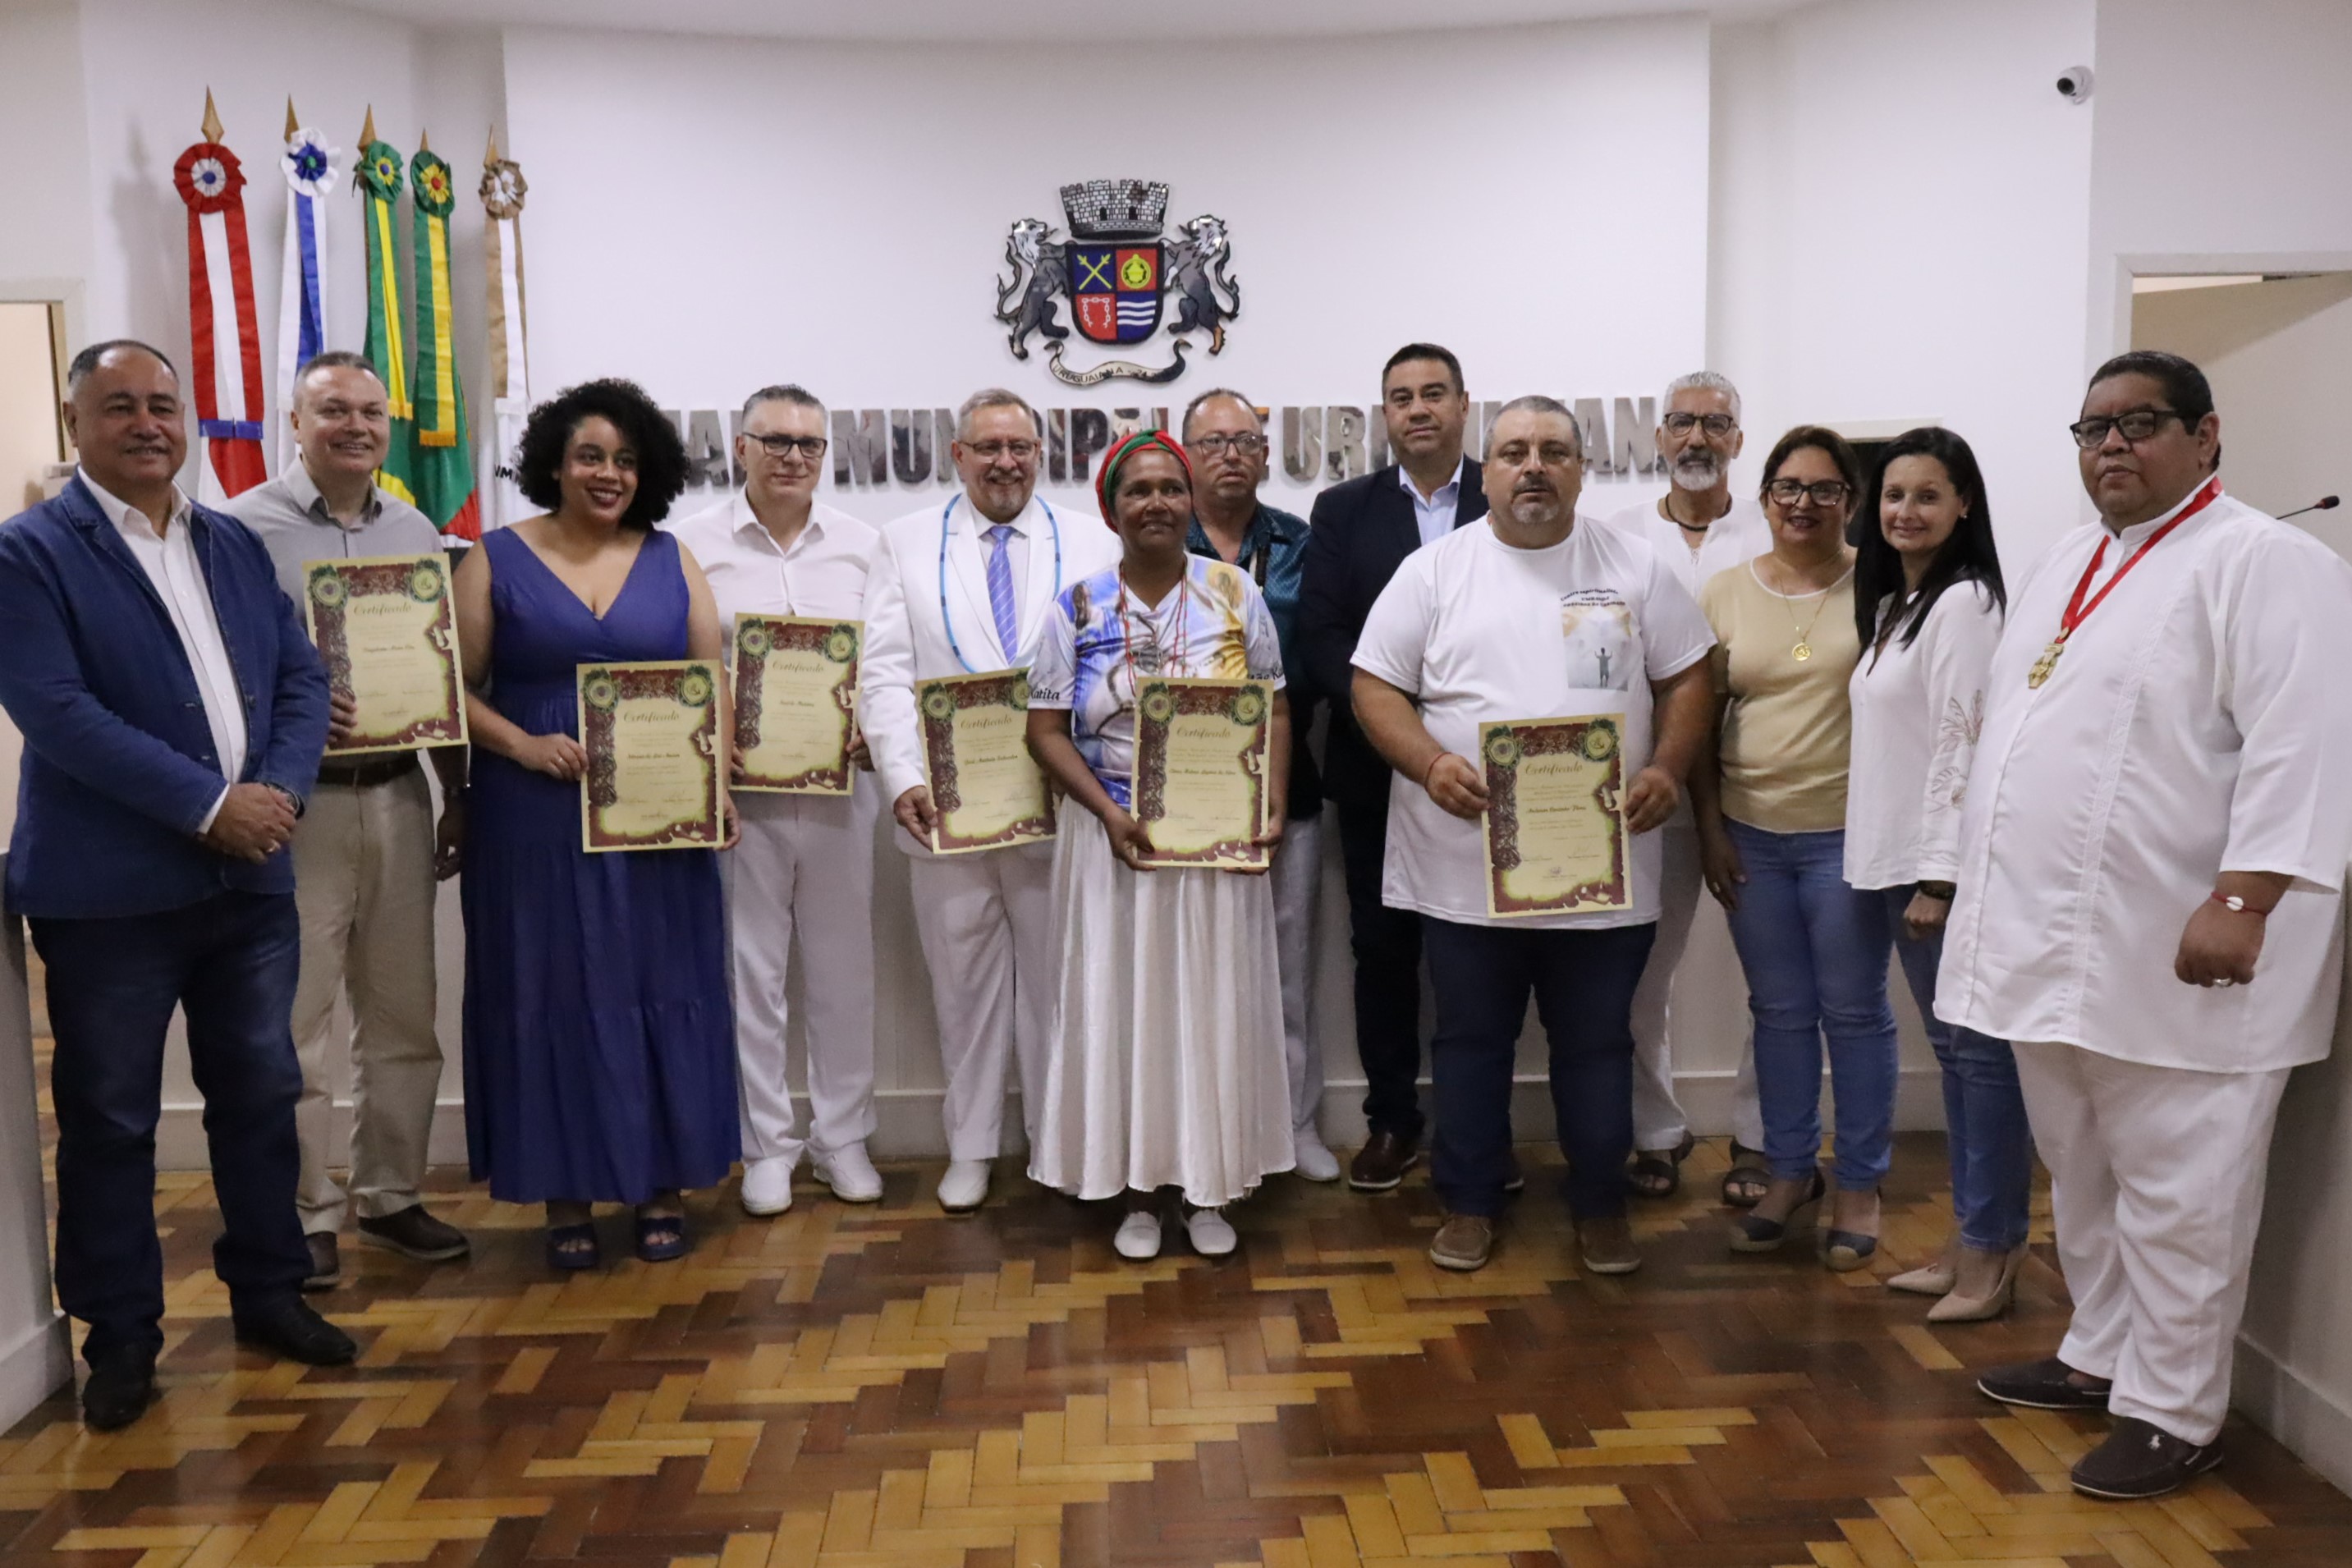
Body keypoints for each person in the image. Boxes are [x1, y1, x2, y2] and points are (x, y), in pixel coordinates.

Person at [1951, 352, 2352, 1501]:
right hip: (2051, 951)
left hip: (2189, 952)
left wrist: (2244, 896)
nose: (2110, 446)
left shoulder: (2269, 564)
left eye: (2139, 424)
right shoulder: (2069, 560)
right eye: (2091, 429)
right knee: (2082, 1170)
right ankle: (2102, 1354)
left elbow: (2305, 742)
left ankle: (2176, 1411)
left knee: (2184, 1188)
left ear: (2207, 435)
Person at [0, 340, 355, 1432]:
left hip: (248, 883)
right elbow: (56, 710)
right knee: (109, 1120)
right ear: (77, 426)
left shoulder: (231, 543)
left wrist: (278, 794)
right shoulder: (28, 554)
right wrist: (212, 804)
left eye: (164, 404)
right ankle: (121, 1341)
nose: (148, 422)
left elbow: (301, 678)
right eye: (120, 407)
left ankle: (269, 1293)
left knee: (260, 1092)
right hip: (110, 897)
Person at [1350, 397, 1714, 1275]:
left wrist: (1667, 765)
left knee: (1599, 1043)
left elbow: (1692, 672)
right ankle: (1469, 1201)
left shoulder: (1635, 566)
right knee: (1470, 1042)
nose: (1534, 466)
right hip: (1463, 866)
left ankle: (1600, 1205)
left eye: (1554, 450)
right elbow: (1374, 686)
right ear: (1489, 469)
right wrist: (1429, 763)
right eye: (1514, 451)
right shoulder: (1433, 572)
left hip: (1602, 866)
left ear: (1582, 468)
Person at [453, 378, 739, 1269]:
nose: (608, 472)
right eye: (589, 455)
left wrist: (715, 785)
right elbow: (444, 688)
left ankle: (660, 1182)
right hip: (532, 819)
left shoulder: (672, 555)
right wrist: (520, 744)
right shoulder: (492, 557)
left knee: (660, 984)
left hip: (656, 824)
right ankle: (564, 1193)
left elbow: (712, 675)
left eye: (624, 458)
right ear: (553, 463)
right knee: (548, 992)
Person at [228, 351, 470, 1291]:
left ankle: (392, 1191)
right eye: (334, 410)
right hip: (301, 804)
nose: (356, 427)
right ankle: (307, 1210)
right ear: (295, 422)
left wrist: (457, 788)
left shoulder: (414, 526)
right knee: (299, 1022)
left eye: (371, 411)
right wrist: (282, 717)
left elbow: (439, 675)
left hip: (400, 792)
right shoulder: (239, 532)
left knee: (405, 1011)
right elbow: (223, 669)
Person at [1025, 431, 1293, 1259]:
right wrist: (1107, 811)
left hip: (1214, 839)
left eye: (1170, 487)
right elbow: (1044, 729)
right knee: (1123, 1006)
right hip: (1114, 840)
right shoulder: (1077, 605)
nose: (1156, 503)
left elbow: (1275, 707)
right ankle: (1137, 1189)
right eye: (1137, 490)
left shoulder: (1235, 592)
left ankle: (1209, 1184)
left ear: (1191, 500)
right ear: (1111, 508)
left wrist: (1273, 795)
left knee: (1210, 1003)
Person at [863, 390, 1121, 1212]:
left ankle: (1056, 1140)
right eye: (988, 447)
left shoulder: (1091, 539)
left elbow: (1112, 665)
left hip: (1061, 803)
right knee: (964, 984)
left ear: (1041, 454)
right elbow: (884, 670)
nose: (1005, 460)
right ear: (958, 455)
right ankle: (970, 1146)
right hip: (945, 809)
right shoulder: (902, 544)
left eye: (1020, 446)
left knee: (1059, 985)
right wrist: (903, 774)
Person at [670, 385, 883, 1217]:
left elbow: (888, 661)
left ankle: (844, 1138)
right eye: (778, 440)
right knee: (750, 969)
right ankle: (767, 1143)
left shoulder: (865, 547)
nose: (796, 456)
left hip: (841, 790)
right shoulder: (691, 546)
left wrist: (871, 726)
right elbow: (684, 668)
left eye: (810, 444)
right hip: (740, 797)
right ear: (742, 446)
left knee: (843, 969)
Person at [1693, 425, 1898, 1272]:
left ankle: (1858, 1184)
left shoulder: (1884, 588)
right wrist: (1709, 829)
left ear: (1850, 500)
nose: (1803, 504)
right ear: (1765, 496)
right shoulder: (1722, 592)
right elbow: (1698, 727)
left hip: (1850, 836)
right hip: (1751, 834)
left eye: (1822, 489)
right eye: (1787, 487)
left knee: (1853, 1012)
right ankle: (1786, 1172)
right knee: (1777, 1011)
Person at [1843, 428, 2025, 1323]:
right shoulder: (1894, 607)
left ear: (1963, 507)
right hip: (1892, 863)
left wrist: (1940, 878)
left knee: (1979, 1061)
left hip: (1935, 876)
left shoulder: (1964, 605)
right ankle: (1969, 1237)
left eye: (1926, 495)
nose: (1904, 511)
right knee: (1956, 1061)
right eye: (1892, 495)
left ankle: (1993, 1253)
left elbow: (1965, 740)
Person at [1297, 343, 1488, 1191]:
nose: (1418, 409)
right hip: (1377, 769)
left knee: (1478, 954)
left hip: (1485, 777)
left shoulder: (1507, 493)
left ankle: (1476, 1128)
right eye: (1401, 397)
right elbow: (1323, 637)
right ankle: (1391, 1119)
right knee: (1382, 950)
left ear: (1463, 405)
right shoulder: (1342, 510)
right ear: (1386, 415)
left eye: (1434, 394)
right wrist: (1396, 721)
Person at [1602, 372, 1772, 1204]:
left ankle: (1763, 1137)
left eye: (1715, 423)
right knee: (1641, 978)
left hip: (1766, 790)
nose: (1697, 437)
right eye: (1681, 422)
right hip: (1653, 793)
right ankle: (1656, 1130)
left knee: (1774, 982)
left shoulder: (1779, 529)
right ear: (1659, 438)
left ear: (1739, 439)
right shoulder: (1615, 539)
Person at [1181, 387, 1336, 1183]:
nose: (1231, 454)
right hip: (1179, 788)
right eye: (1212, 442)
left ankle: (1296, 1122)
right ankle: (1203, 1129)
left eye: (1245, 439)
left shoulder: (1303, 542)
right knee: (1192, 970)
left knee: (1286, 965)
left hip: (1286, 779)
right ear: (1185, 454)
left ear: (1266, 454)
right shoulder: (1151, 536)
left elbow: (1317, 658)